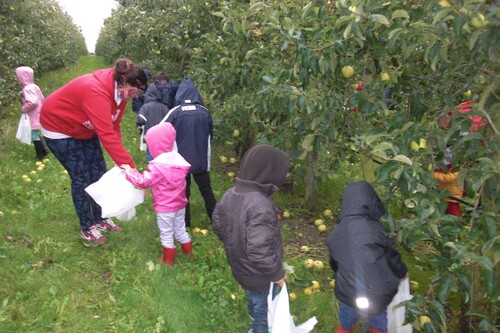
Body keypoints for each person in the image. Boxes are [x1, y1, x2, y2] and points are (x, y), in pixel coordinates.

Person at [40, 58, 148, 244]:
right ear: (123, 82)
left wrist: (120, 161)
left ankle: (101, 218)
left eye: (136, 93)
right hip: (59, 128)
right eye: (132, 91)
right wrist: (129, 168)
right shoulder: (95, 92)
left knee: (98, 171)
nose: (132, 96)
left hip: (83, 127)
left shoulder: (121, 94)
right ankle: (87, 226)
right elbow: (105, 134)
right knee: (82, 177)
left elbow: (114, 125)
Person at [212, 144, 290, 333]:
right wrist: (277, 273)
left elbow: (217, 223)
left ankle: (254, 321)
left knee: (255, 305)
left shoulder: (231, 193)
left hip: (241, 267)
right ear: (269, 174)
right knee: (263, 314)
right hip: (259, 275)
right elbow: (259, 250)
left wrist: (234, 244)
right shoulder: (260, 205)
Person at [327, 181, 408, 333]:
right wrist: (402, 272)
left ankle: (344, 329)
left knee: (347, 315)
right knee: (378, 318)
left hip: (349, 290)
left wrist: (341, 272)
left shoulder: (336, 234)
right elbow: (392, 256)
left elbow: (335, 263)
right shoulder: (377, 230)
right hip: (376, 291)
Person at [121, 122, 193, 266]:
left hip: (165, 208)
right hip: (180, 204)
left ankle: (168, 261)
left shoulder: (158, 166)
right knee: (180, 229)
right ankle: (188, 254)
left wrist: (129, 172)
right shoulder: (178, 160)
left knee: (166, 233)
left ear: (156, 145)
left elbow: (143, 181)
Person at [164, 77, 216, 227]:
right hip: (201, 159)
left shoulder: (174, 112)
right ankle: (216, 220)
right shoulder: (204, 112)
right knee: (206, 190)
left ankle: (185, 223)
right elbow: (210, 134)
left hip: (181, 161)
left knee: (183, 193)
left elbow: (161, 131)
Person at [15, 66, 49, 160]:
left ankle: (41, 153)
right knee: (36, 133)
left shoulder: (27, 89)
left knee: (34, 134)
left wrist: (24, 109)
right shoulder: (34, 86)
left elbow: (32, 102)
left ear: (22, 77)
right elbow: (41, 98)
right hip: (39, 112)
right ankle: (44, 151)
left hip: (32, 114)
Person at [136, 72, 170, 163]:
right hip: (163, 139)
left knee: (150, 157)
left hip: (149, 138)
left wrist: (141, 129)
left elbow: (140, 120)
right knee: (162, 159)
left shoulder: (145, 107)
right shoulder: (165, 107)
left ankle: (152, 173)